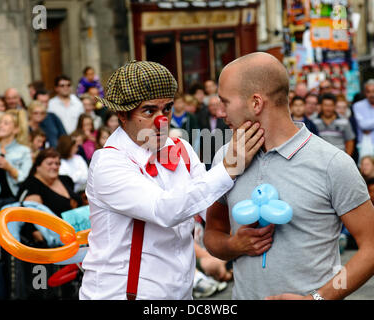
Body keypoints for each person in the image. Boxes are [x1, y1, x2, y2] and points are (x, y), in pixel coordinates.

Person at [203, 52, 374, 300]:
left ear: (256, 103)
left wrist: (317, 299)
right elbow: (212, 233)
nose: (220, 113)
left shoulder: (332, 163)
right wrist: (233, 246)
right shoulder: (226, 158)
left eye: (225, 102)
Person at [79, 60, 264, 300]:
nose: (162, 120)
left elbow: (211, 207)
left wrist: (251, 224)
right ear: (123, 115)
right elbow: (165, 210)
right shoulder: (108, 163)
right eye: (149, 111)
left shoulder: (181, 148)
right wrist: (229, 166)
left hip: (179, 294)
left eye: (166, 109)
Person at [18, 148, 82, 217]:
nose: (54, 167)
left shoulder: (66, 179)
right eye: (50, 163)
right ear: (38, 166)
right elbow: (33, 218)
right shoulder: (31, 186)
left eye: (57, 163)